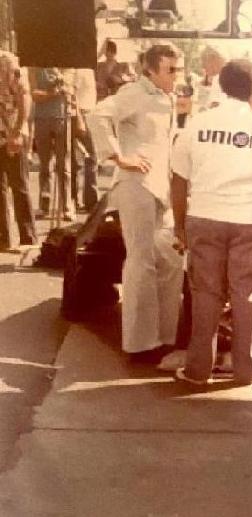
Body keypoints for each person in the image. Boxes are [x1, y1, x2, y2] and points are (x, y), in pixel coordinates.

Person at [170, 59, 252, 386]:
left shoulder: (197, 124)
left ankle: (197, 370)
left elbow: (178, 178)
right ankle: (247, 368)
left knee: (205, 293)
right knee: (247, 292)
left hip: (205, 217)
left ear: (221, 86)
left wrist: (180, 225)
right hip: (251, 221)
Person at [90, 43, 184, 362]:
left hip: (161, 188)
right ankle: (141, 345)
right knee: (141, 262)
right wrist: (119, 157)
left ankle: (164, 336)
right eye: (171, 69)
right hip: (136, 185)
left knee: (170, 260)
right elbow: (98, 113)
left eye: (178, 68)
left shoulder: (166, 97)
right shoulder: (135, 92)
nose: (177, 75)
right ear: (152, 70)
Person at [0, 51, 36, 251]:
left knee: (19, 185)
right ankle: (3, 239)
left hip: (11, 132)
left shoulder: (7, 61)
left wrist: (19, 131)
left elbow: (24, 97)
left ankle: (28, 237)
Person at [29, 66, 74, 221]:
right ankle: (44, 204)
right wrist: (51, 93)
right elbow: (34, 94)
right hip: (42, 119)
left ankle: (67, 206)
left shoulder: (64, 64)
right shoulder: (34, 67)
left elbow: (68, 88)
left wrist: (60, 82)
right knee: (44, 165)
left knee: (64, 165)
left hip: (62, 118)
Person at [70, 68, 98, 212]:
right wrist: (80, 118)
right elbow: (73, 94)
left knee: (84, 160)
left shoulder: (89, 69)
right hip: (82, 115)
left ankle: (80, 200)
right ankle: (89, 201)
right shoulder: (79, 69)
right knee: (89, 158)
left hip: (89, 114)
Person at [195, 46, 225, 112]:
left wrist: (204, 110)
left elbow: (215, 105)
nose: (203, 66)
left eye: (204, 61)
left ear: (213, 60)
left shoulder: (219, 79)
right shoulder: (217, 78)